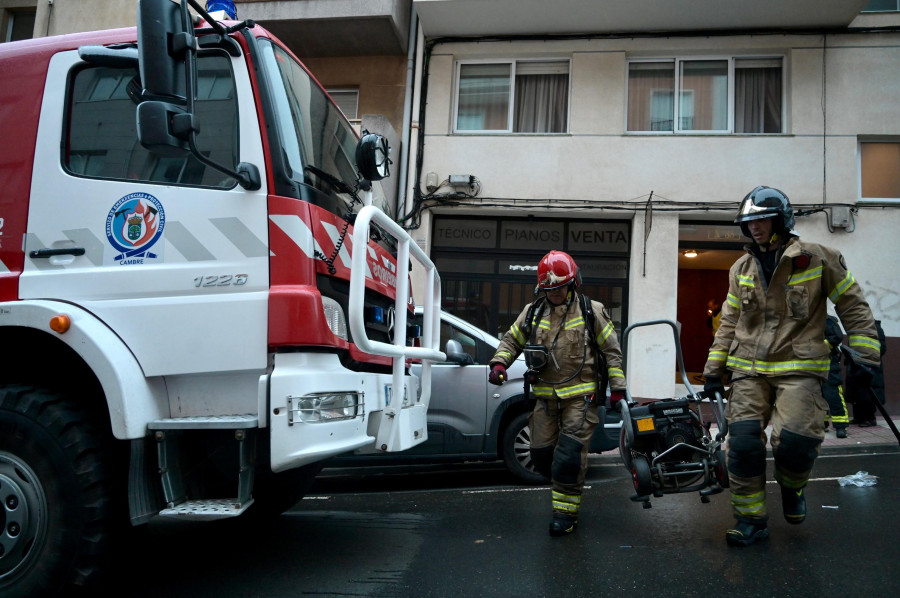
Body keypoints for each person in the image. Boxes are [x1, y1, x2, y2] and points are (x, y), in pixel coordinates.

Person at [703, 186, 881, 547]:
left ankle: (792, 486)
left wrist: (865, 358)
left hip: (799, 367)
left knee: (796, 443)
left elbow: (854, 308)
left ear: (782, 220)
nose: (755, 228)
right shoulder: (741, 268)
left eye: (762, 220)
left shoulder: (819, 258)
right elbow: (729, 321)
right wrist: (712, 369)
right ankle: (750, 519)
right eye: (749, 222)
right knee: (743, 447)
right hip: (748, 370)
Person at [488, 250, 626, 536]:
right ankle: (567, 484)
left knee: (568, 458)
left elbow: (612, 351)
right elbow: (513, 339)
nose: (555, 294)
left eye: (560, 288)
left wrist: (618, 388)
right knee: (539, 454)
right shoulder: (533, 311)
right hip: (546, 398)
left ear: (572, 283)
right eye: (549, 289)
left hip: (580, 399)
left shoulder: (591, 310)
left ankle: (565, 514)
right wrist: (500, 362)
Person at [847, 319, 887, 427]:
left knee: (868, 394)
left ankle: (870, 418)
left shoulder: (876, 328)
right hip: (856, 365)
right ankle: (858, 417)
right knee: (856, 393)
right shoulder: (856, 327)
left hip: (870, 366)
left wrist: (868, 357)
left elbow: (882, 347)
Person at [822, 316, 850, 439]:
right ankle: (822, 424)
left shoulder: (827, 320)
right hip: (812, 365)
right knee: (818, 397)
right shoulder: (808, 319)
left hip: (829, 364)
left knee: (833, 395)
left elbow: (837, 336)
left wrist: (820, 347)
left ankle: (841, 426)